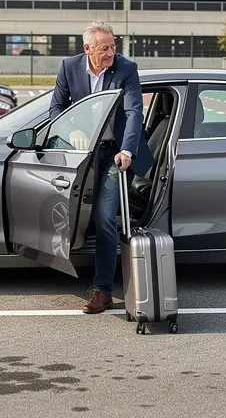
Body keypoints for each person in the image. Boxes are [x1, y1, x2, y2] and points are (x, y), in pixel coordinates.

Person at [49, 21, 153, 314]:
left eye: (113, 46)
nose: (111, 52)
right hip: (82, 151)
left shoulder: (126, 68)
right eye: (104, 48)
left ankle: (102, 290)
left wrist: (127, 149)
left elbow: (134, 111)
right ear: (88, 49)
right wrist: (71, 132)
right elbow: (56, 109)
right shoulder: (69, 67)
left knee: (106, 216)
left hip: (113, 153)